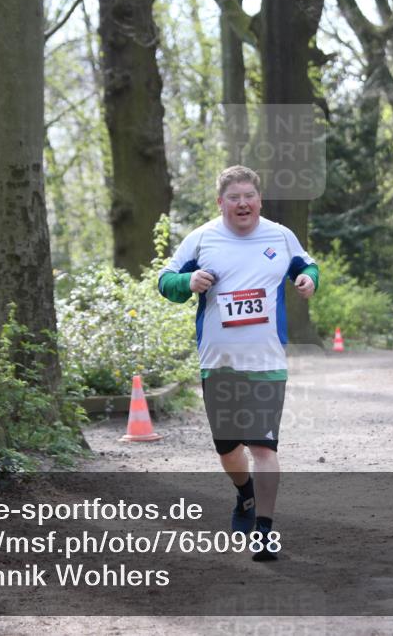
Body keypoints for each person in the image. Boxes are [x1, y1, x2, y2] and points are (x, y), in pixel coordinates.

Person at [157, 165, 318, 562]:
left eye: (249, 196)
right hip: (219, 363)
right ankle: (244, 493)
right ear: (221, 202)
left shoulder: (280, 236)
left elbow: (306, 265)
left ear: (259, 200)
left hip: (266, 362)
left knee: (263, 446)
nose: (242, 204)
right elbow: (165, 280)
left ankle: (264, 530)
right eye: (234, 198)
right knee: (229, 449)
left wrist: (309, 280)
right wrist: (187, 283)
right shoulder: (202, 239)